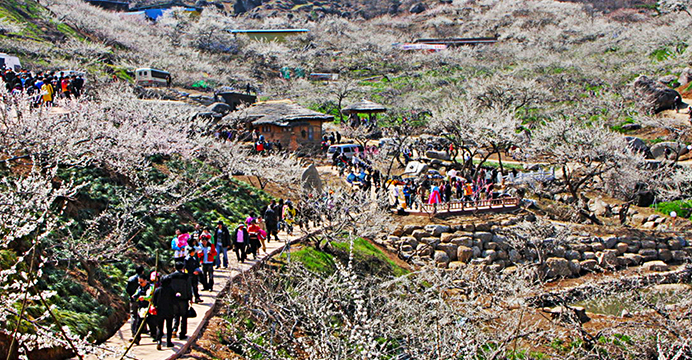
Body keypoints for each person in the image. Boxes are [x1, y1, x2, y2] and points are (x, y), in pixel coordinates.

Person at [169, 262, 192, 340]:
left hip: (174, 299)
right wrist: (190, 298)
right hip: (184, 299)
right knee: (184, 316)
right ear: (183, 268)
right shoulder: (186, 277)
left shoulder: (171, 276)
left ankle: (174, 329)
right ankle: (182, 333)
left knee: (176, 315)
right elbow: (189, 288)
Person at [131, 275, 155, 345]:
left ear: (146, 281)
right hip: (141, 307)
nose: (140, 283)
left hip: (149, 307)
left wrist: (144, 298)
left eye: (141, 282)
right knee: (139, 323)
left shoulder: (150, 287)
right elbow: (137, 293)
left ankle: (154, 334)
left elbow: (150, 297)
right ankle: (137, 338)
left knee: (151, 322)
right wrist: (135, 296)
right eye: (139, 282)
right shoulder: (140, 288)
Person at [153, 276, 175, 350]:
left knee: (159, 326)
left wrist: (156, 306)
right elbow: (174, 300)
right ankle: (169, 342)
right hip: (169, 310)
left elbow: (154, 301)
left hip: (160, 311)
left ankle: (159, 341)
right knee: (169, 327)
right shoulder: (171, 290)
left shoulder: (157, 290)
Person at [126, 265, 146, 341]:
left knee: (133, 316)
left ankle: (134, 332)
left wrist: (131, 295)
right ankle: (142, 329)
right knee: (142, 315)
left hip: (133, 299)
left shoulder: (130, 279)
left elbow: (127, 289)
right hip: (142, 299)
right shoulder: (143, 279)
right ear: (142, 271)